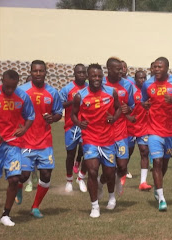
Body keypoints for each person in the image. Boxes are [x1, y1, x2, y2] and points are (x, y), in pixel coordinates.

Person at [71, 63, 121, 218]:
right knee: (92, 171)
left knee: (109, 173)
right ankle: (95, 207)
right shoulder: (80, 95)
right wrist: (79, 123)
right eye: (93, 76)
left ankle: (111, 196)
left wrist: (114, 118)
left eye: (99, 76)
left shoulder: (112, 92)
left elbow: (119, 108)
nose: (97, 79)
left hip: (108, 139)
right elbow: (73, 114)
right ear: (88, 77)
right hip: (90, 139)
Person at [16, 60, 63, 218]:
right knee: (23, 175)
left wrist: (52, 118)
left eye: (41, 71)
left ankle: (35, 206)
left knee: (46, 175)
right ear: (30, 72)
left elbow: (58, 113)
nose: (38, 74)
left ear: (45, 73)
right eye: (35, 71)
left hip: (45, 142)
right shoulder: (21, 91)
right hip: (25, 141)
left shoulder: (52, 92)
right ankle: (18, 189)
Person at [141, 57, 172, 211]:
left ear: (167, 68)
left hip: (169, 131)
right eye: (154, 67)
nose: (156, 69)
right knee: (157, 162)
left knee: (164, 163)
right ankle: (161, 198)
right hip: (153, 130)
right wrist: (145, 104)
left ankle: (157, 186)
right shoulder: (148, 84)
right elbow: (143, 102)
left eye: (160, 67)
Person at [0, 70, 35, 226]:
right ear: (2, 81)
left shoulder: (23, 96)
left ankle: (6, 214)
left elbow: (31, 116)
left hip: (13, 144)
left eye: (12, 88)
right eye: (6, 87)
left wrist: (25, 129)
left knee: (14, 179)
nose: (9, 91)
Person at [98, 58, 135, 196]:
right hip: (104, 132)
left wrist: (128, 109)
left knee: (122, 166)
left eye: (122, 69)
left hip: (121, 132)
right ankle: (101, 184)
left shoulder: (127, 85)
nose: (121, 71)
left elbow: (131, 106)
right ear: (108, 69)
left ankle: (114, 180)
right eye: (117, 69)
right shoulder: (100, 84)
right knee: (109, 168)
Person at [59, 63, 88, 193]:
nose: (81, 75)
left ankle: (81, 177)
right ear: (74, 74)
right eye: (79, 72)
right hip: (71, 126)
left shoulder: (89, 88)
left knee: (87, 152)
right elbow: (60, 104)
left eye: (83, 72)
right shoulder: (67, 89)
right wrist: (74, 101)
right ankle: (69, 181)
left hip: (86, 125)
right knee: (70, 154)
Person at [126, 70, 152, 191]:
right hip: (131, 127)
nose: (142, 80)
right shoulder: (131, 91)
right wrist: (129, 117)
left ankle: (143, 181)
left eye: (144, 78)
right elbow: (124, 107)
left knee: (144, 151)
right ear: (135, 79)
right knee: (127, 153)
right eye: (139, 78)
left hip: (144, 127)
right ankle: (122, 172)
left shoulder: (148, 91)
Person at [121, 60, 135, 179]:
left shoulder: (131, 82)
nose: (123, 69)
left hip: (129, 118)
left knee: (129, 146)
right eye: (121, 67)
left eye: (124, 67)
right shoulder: (106, 83)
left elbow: (133, 102)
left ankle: (124, 168)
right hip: (116, 120)